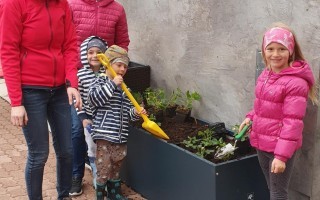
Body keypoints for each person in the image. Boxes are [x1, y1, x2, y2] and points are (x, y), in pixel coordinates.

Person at [0, 0, 82, 199]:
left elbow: (70, 45)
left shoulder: (62, 4)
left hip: (59, 91)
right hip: (30, 91)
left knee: (67, 151)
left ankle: (63, 196)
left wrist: (71, 82)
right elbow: (8, 52)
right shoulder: (14, 4)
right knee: (39, 155)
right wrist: (16, 102)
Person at [239, 22, 318, 200]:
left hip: (279, 147)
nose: (275, 54)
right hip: (262, 141)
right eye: (270, 48)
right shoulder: (266, 74)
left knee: (277, 192)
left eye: (281, 49)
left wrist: (281, 156)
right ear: (264, 51)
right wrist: (251, 117)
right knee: (271, 186)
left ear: (290, 51)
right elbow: (264, 105)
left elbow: (293, 122)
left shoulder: (295, 83)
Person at [66, 0, 130, 195]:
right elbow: (64, 42)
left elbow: (122, 44)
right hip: (79, 77)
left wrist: (116, 68)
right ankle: (76, 175)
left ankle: (102, 173)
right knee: (77, 130)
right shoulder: (72, 5)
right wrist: (70, 76)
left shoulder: (117, 9)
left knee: (101, 134)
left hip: (105, 79)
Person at [88, 45, 146, 200]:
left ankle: (115, 193)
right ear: (108, 64)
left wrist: (136, 112)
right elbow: (95, 99)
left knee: (116, 165)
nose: (122, 69)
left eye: (125, 66)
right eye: (119, 65)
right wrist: (112, 84)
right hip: (105, 135)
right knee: (103, 167)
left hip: (120, 136)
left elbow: (127, 114)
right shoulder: (99, 81)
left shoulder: (124, 89)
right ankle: (100, 195)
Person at [77, 36, 108, 190]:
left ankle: (105, 174)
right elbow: (79, 99)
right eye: (90, 52)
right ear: (85, 54)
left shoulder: (109, 74)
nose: (94, 56)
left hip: (106, 119)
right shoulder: (81, 75)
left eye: (98, 52)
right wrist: (83, 117)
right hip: (90, 119)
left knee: (106, 148)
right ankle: (96, 171)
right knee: (92, 146)